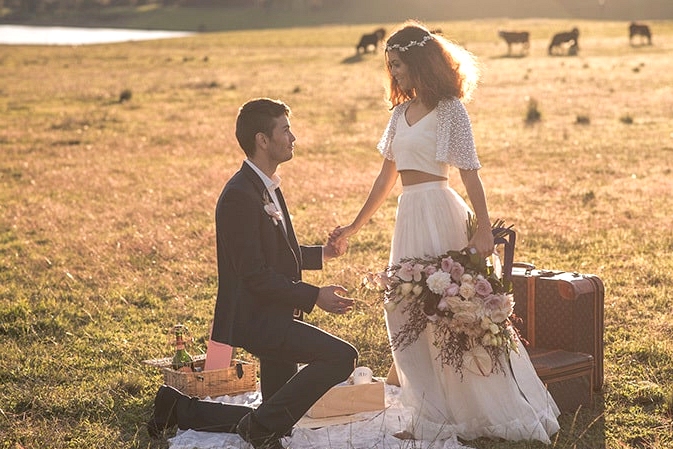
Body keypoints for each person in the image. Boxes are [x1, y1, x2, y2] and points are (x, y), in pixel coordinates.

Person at [330, 20, 560, 445]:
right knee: (405, 311)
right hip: (408, 216)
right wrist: (353, 227)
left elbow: (470, 173)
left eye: (399, 64)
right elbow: (385, 178)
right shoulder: (399, 114)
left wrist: (485, 229)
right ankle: (428, 409)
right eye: (391, 66)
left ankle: (475, 407)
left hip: (440, 211)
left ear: (419, 61)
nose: (394, 73)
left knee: (449, 310)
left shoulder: (451, 109)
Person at [148, 98, 359, 449]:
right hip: (255, 318)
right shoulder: (239, 196)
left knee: (276, 415)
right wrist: (314, 296)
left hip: (273, 311)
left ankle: (177, 407)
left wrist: (323, 253)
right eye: (286, 130)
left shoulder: (265, 185)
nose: (294, 138)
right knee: (342, 356)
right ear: (263, 139)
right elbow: (254, 275)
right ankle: (257, 430)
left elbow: (276, 256)